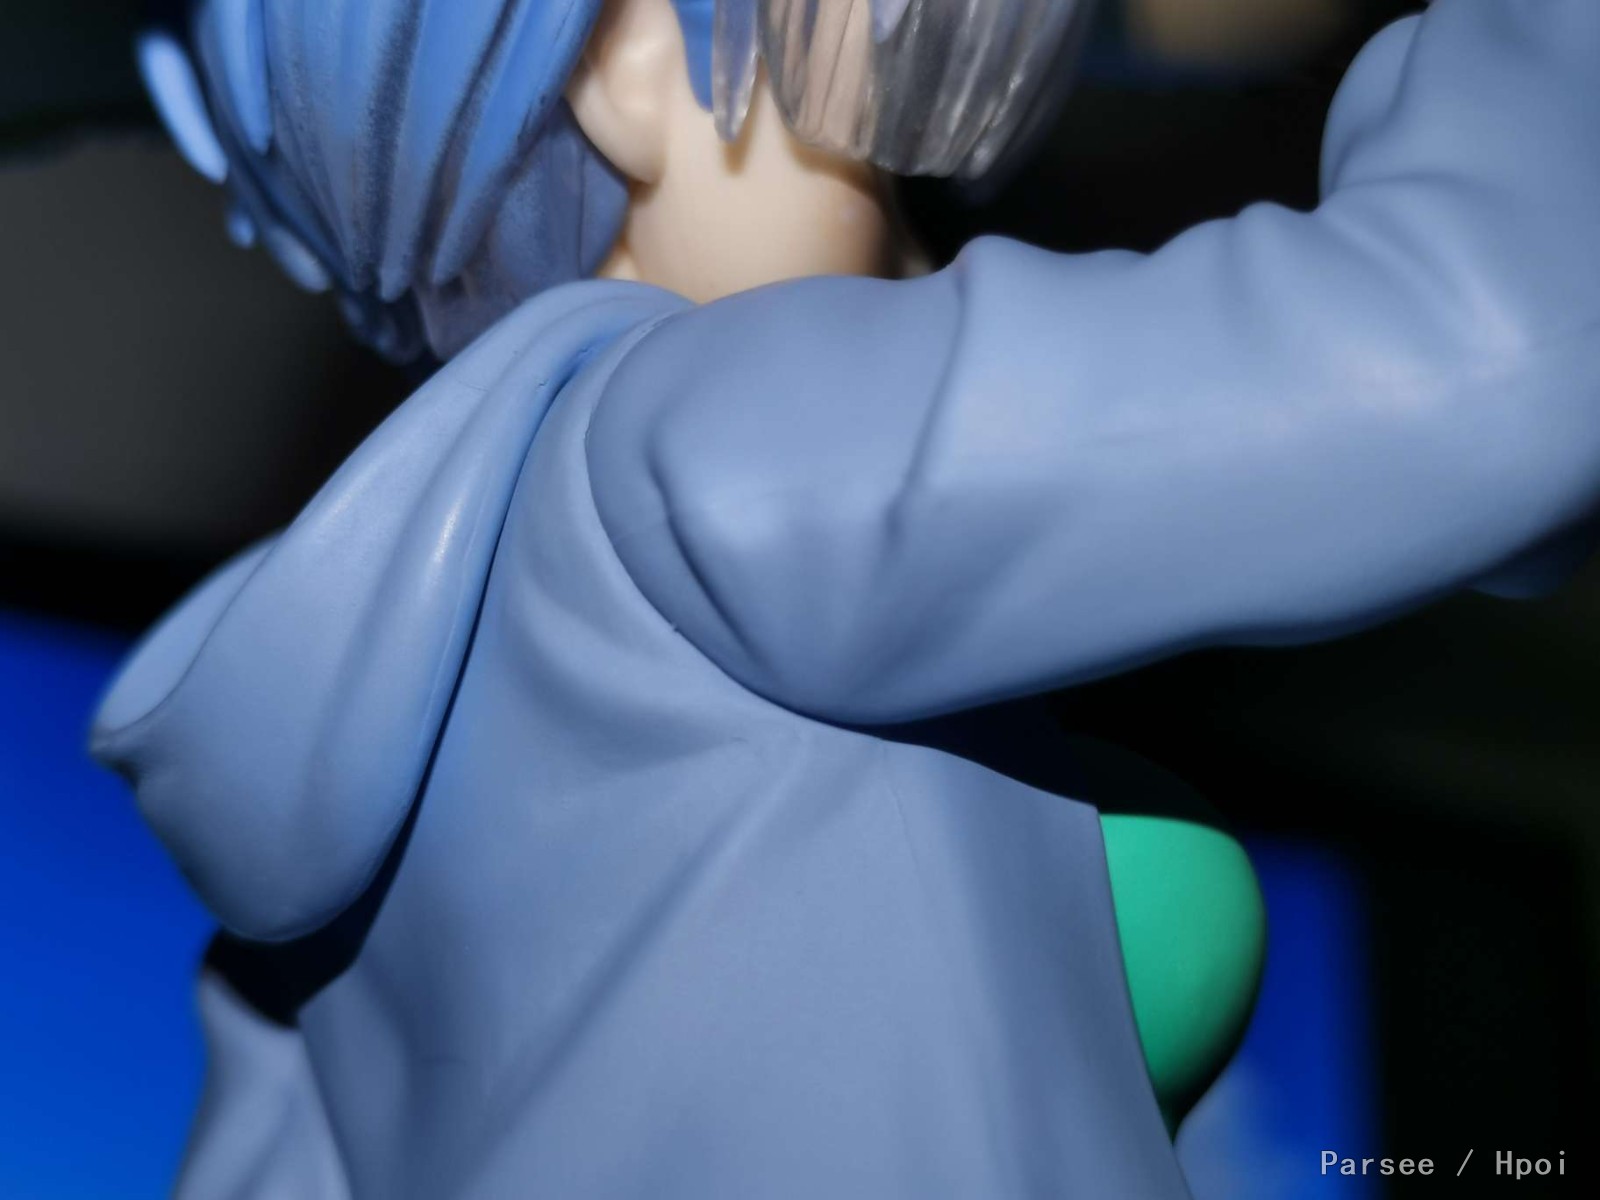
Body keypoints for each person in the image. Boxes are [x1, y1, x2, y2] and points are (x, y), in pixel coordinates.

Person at [98, 0, 1598, 1195]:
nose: (936, 255)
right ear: (629, 65)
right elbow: (1493, 367)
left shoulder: (330, 822)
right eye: (889, 158)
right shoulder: (703, 437)